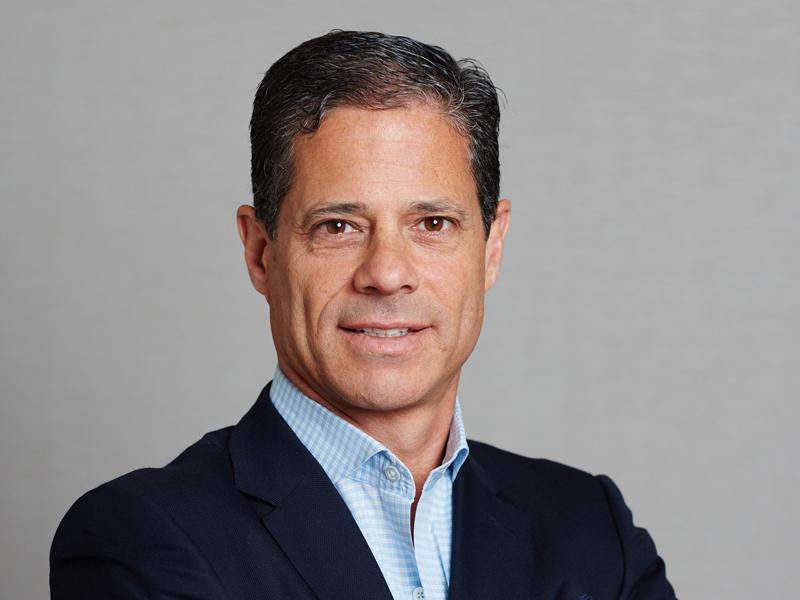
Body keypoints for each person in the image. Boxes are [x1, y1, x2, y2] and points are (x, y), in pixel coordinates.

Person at [50, 30, 676, 600]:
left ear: (491, 248)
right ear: (261, 252)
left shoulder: (593, 531)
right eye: (338, 226)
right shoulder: (140, 540)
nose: (386, 272)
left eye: (433, 223)